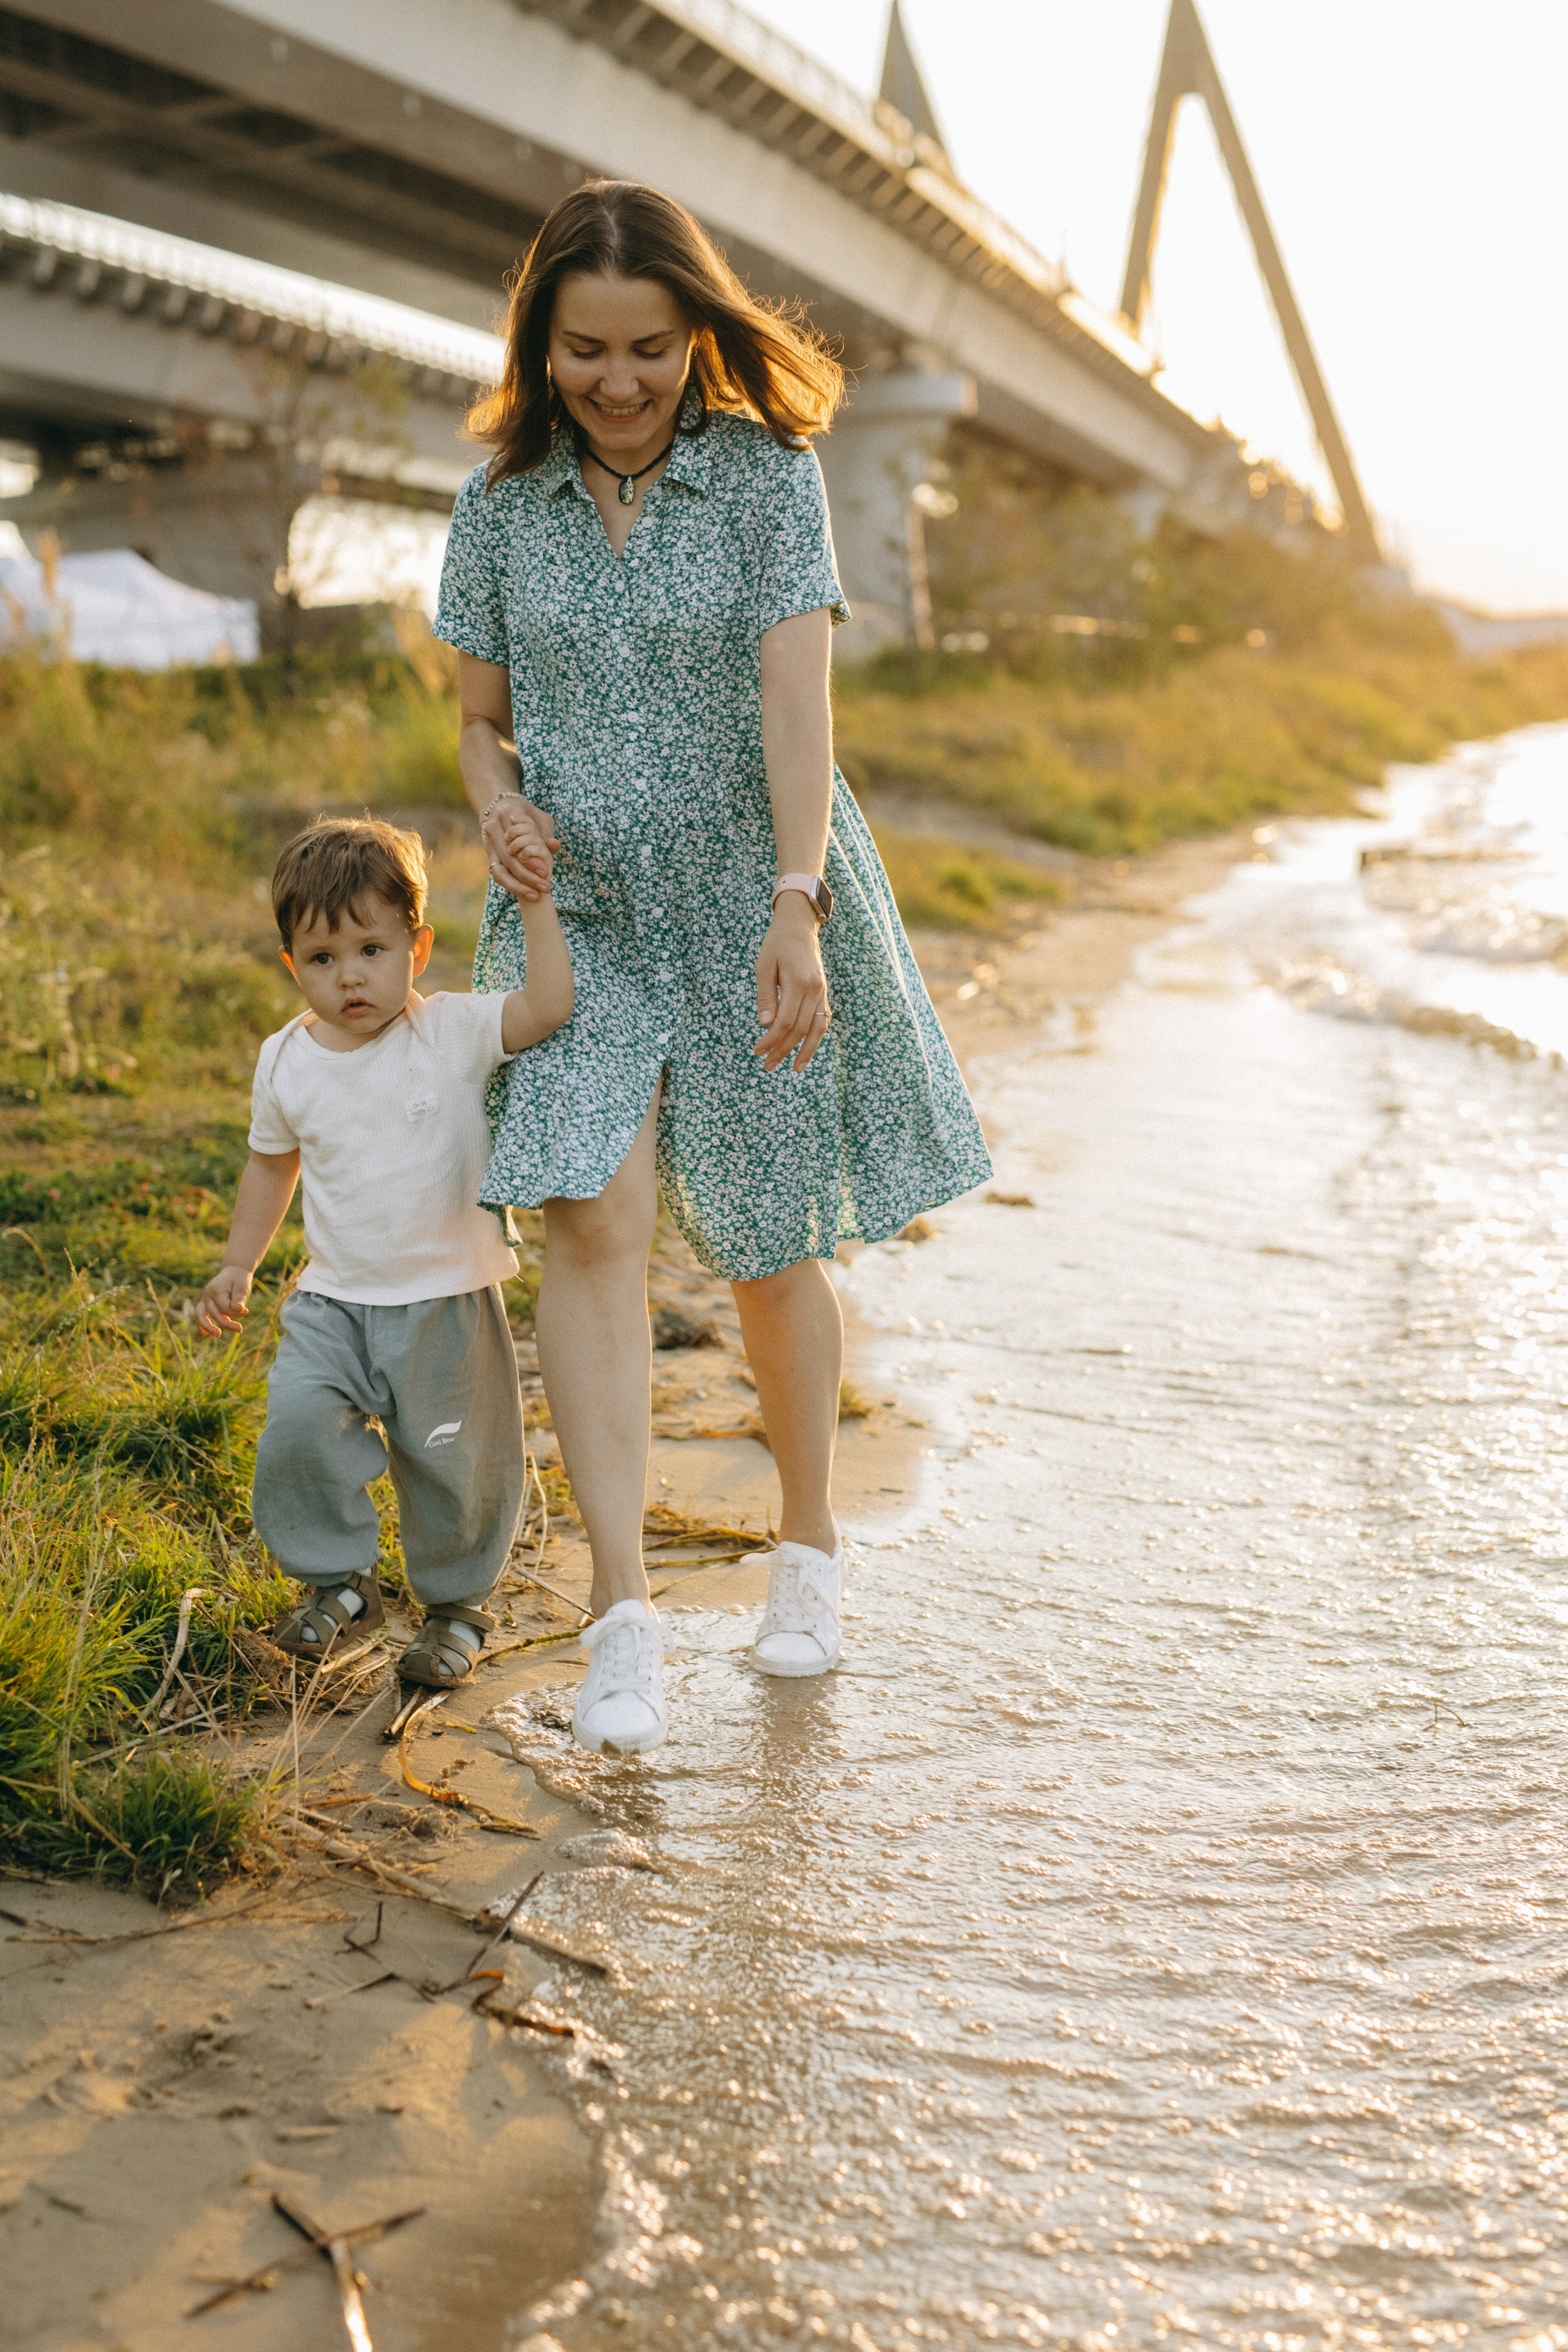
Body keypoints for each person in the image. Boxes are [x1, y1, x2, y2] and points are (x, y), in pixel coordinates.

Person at [434, 178, 992, 1757]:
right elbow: (478, 715)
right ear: (542, 343)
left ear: (698, 338)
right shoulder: (497, 509)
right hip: (579, 911)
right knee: (591, 1222)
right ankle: (619, 1612)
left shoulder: (768, 483)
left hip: (754, 893)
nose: (618, 382)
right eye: (587, 351)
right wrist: (499, 803)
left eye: (652, 350)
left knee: (763, 1236)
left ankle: (803, 1554)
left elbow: (797, 706)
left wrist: (798, 902)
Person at [196, 813, 571, 1688]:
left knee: (455, 1464)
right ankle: (341, 1580)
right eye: (322, 960)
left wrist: (539, 905)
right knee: (296, 1428)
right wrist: (239, 1263)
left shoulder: (450, 1032)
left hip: (445, 1297)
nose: (350, 978)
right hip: (332, 1300)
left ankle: (455, 1605)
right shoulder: (285, 1059)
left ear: (417, 946)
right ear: (292, 966)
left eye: (371, 949)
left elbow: (550, 1006)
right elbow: (270, 1165)